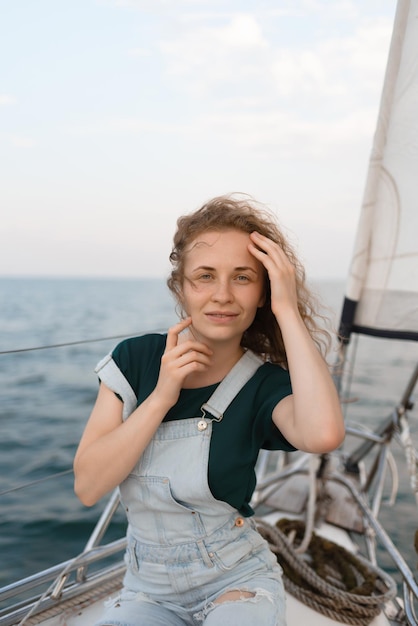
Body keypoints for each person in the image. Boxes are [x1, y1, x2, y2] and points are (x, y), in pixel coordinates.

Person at [73, 193, 345, 626]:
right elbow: (88, 486)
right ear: (181, 287)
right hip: (147, 592)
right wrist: (162, 395)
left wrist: (287, 310)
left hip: (236, 581)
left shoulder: (264, 384)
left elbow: (323, 434)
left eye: (243, 278)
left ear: (263, 292)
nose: (222, 295)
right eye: (205, 276)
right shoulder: (134, 360)